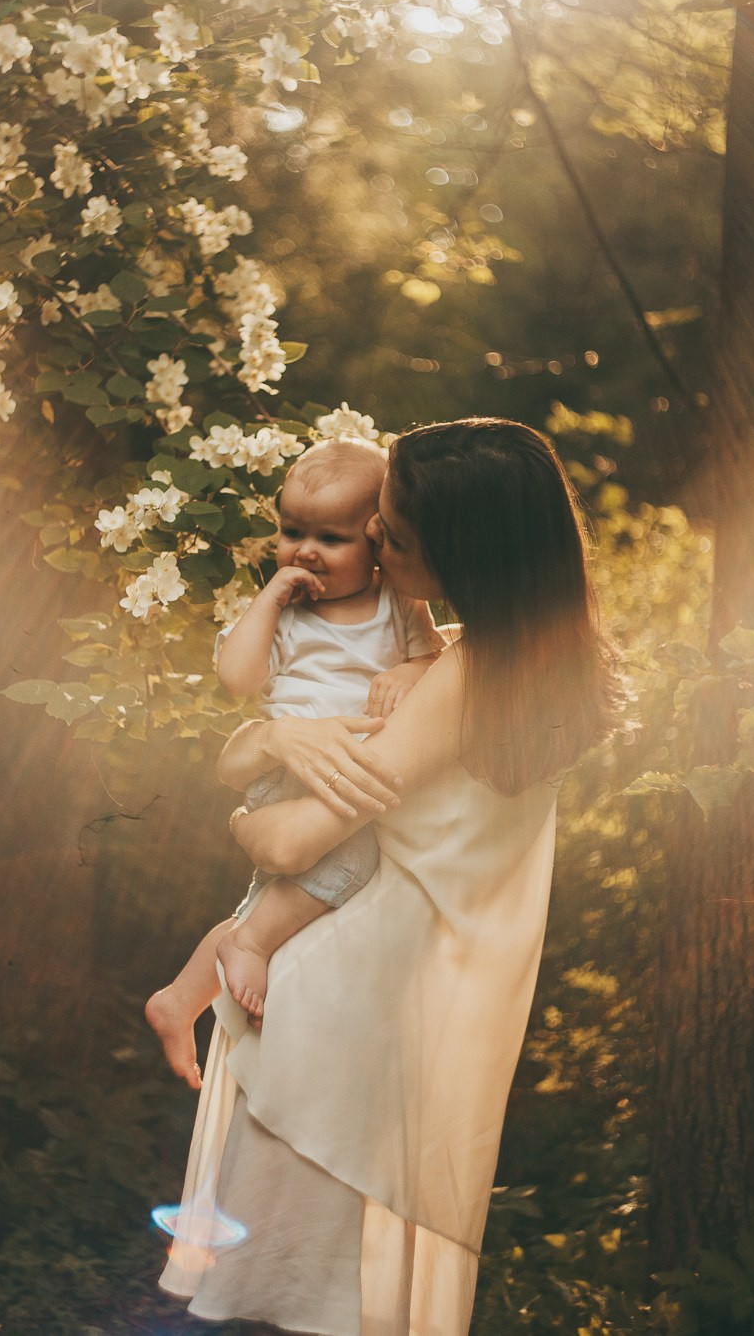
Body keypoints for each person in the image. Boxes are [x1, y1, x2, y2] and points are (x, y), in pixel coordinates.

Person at [147, 417, 623, 1336]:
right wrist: (268, 738)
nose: (371, 542)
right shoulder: (545, 665)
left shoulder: (458, 677)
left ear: (460, 552)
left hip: (337, 1020)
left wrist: (246, 797)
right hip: (409, 1018)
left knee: (295, 1301)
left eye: (391, 535)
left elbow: (290, 845)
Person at [147, 437, 444, 1088]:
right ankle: (246, 948)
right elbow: (237, 676)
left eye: (331, 538)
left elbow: (434, 662)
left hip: (349, 769)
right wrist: (270, 598)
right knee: (352, 862)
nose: (305, 550)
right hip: (292, 769)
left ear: (376, 545)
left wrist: (409, 670)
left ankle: (180, 998)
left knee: (271, 895)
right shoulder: (285, 619)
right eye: (290, 531)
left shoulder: (397, 605)